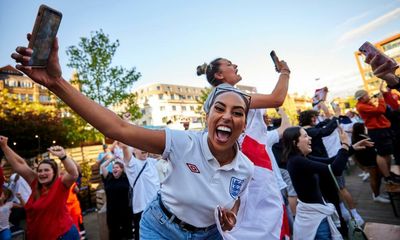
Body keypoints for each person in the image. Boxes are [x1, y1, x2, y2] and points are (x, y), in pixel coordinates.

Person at [11, 37, 254, 239]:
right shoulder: (183, 143)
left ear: (244, 126)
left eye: (238, 113)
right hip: (161, 229)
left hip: (210, 234)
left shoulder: (246, 169)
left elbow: (235, 201)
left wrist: (230, 216)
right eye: (219, 109)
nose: (227, 117)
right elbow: (119, 129)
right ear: (207, 117)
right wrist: (56, 83)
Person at [198, 57, 291, 239]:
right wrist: (285, 72)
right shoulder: (228, 94)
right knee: (263, 226)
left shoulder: (224, 95)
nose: (236, 65)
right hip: (253, 166)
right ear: (219, 74)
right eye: (230, 64)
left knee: (249, 225)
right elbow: (276, 99)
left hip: (246, 165)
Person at [281, 126, 371, 240]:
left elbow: (330, 162)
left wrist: (352, 148)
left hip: (316, 215)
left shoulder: (299, 158)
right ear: (295, 143)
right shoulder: (297, 161)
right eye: (305, 136)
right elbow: (335, 170)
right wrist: (345, 144)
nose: (310, 138)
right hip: (315, 220)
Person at [0, 138, 80, 240]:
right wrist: (4, 146)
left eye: (46, 170)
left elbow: (74, 174)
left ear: (54, 173)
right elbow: (20, 164)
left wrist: (63, 157)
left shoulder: (60, 185)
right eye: (40, 171)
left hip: (62, 236)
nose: (42, 173)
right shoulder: (35, 183)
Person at [355, 89, 400, 184]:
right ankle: (387, 177)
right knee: (381, 153)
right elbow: (380, 110)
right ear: (362, 97)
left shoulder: (364, 104)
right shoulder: (361, 106)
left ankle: (388, 174)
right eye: (367, 95)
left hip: (381, 129)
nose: (369, 96)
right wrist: (381, 99)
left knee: (386, 153)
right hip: (377, 131)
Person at [121, 145, 160, 240]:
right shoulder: (133, 164)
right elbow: (126, 150)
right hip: (142, 210)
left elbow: (165, 155)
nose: (143, 148)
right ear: (134, 150)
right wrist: (125, 147)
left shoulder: (153, 162)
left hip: (157, 208)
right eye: (139, 146)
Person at [351, 123, 390, 203]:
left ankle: (377, 193)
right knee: (374, 178)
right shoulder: (359, 138)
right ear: (361, 128)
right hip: (369, 161)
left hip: (371, 159)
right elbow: (358, 153)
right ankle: (376, 196)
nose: (365, 127)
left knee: (378, 177)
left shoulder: (360, 135)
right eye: (364, 127)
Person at [101, 158, 133, 240]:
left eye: (117, 167)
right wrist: (112, 158)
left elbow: (127, 166)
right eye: (113, 167)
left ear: (122, 169)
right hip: (112, 211)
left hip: (125, 210)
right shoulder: (109, 177)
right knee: (114, 233)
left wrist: (121, 159)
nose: (114, 169)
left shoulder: (126, 177)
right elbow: (102, 166)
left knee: (127, 232)